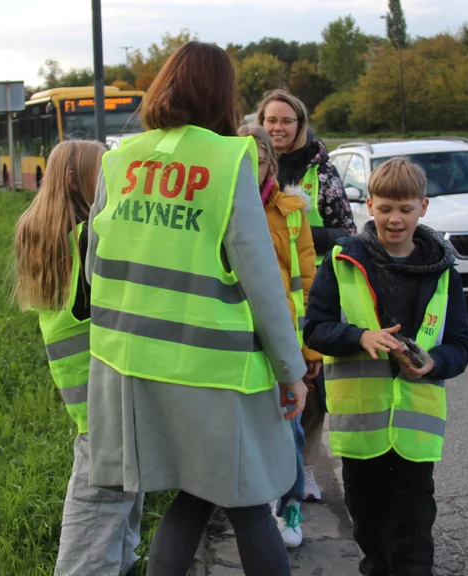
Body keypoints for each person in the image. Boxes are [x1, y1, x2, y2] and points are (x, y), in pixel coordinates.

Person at [86, 42, 309, 576]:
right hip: (216, 369)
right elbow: (261, 280)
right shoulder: (229, 158)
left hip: (133, 366)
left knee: (192, 497)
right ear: (223, 94)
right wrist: (291, 371)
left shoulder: (118, 161)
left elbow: (96, 265)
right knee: (250, 499)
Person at [303, 157, 468, 576]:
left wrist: (434, 363)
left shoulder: (444, 272)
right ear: (370, 207)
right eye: (384, 209)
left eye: (405, 209)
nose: (394, 220)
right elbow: (314, 329)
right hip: (362, 428)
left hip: (416, 429)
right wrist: (360, 337)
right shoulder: (344, 259)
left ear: (423, 208)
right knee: (369, 522)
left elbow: (461, 345)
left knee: (414, 527)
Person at [12, 140, 144, 576]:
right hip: (110, 397)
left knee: (116, 513)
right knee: (92, 527)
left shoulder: (43, 233)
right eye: (103, 171)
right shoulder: (91, 236)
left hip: (83, 398)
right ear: (75, 180)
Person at [256, 89, 356, 501]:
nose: (278, 128)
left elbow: (347, 233)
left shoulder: (321, 171)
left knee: (311, 389)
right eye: (271, 120)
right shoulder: (248, 163)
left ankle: (307, 468)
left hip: (315, 287)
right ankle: (267, 474)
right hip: (263, 289)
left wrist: (295, 230)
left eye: (286, 121)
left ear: (300, 126)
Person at [237, 124, 316, 548]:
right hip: (238, 338)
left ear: (272, 162)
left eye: (261, 160)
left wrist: (308, 349)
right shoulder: (223, 208)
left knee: (291, 431)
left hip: (284, 338)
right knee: (247, 429)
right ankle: (257, 504)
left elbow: (307, 280)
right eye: (244, 161)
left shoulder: (290, 212)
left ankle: (289, 507)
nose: (252, 169)